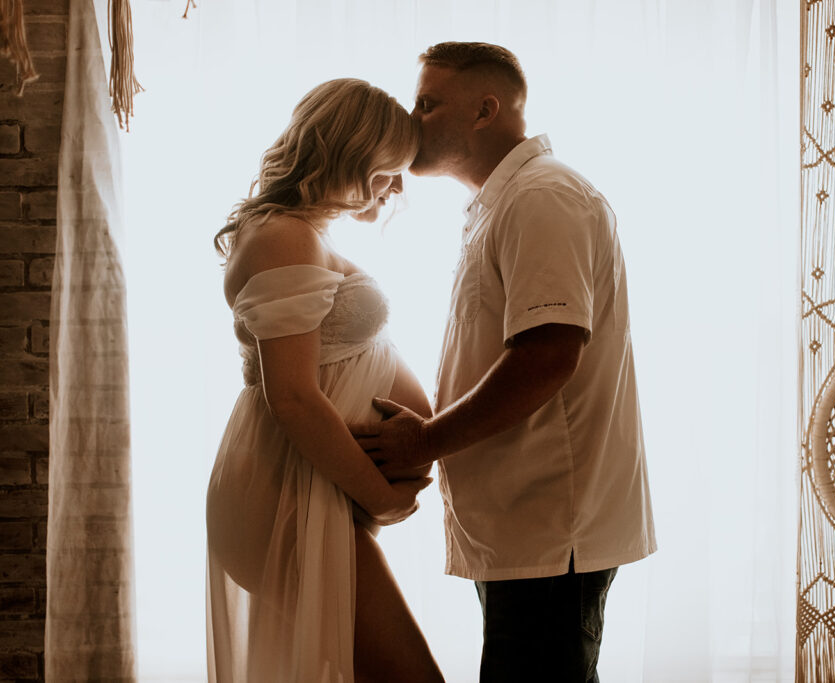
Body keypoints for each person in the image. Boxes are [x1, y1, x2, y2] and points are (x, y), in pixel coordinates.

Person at [352, 43, 657, 683]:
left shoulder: (543, 196)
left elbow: (548, 357)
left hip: (552, 526)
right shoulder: (502, 202)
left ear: (485, 109)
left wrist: (425, 441)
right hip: (525, 524)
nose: (413, 119)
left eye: (428, 104)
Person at [205, 78, 445, 683]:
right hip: (286, 493)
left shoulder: (302, 230)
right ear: (355, 155)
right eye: (391, 171)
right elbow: (292, 398)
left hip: (310, 490)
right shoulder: (286, 236)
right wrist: (382, 495)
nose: (395, 189)